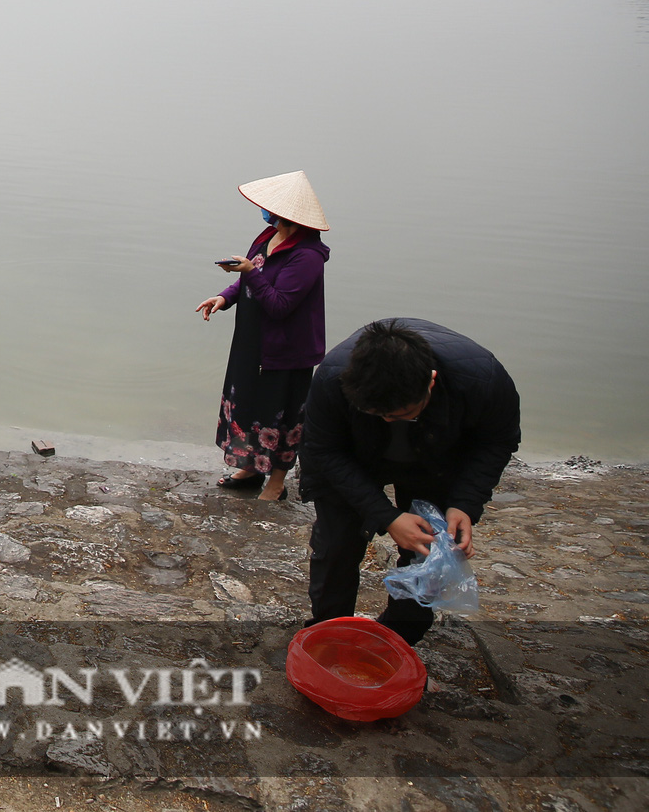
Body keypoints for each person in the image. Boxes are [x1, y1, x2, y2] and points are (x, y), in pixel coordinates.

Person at [298, 318, 521, 644]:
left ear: (431, 382)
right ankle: (329, 635)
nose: (389, 420)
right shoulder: (334, 378)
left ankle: (398, 640)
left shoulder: (483, 380)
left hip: (436, 456)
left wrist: (465, 504)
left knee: (428, 553)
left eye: (401, 414)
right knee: (335, 548)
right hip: (354, 453)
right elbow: (323, 451)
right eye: (380, 414)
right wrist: (386, 516)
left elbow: (497, 441)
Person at [197, 170, 331, 501]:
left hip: (287, 350)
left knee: (281, 414)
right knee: (248, 404)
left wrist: (249, 272)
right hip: (252, 342)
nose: (266, 212)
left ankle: (277, 481)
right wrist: (224, 297)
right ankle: (252, 467)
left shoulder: (307, 256)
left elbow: (280, 304)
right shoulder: (267, 237)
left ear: (288, 215)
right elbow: (251, 275)